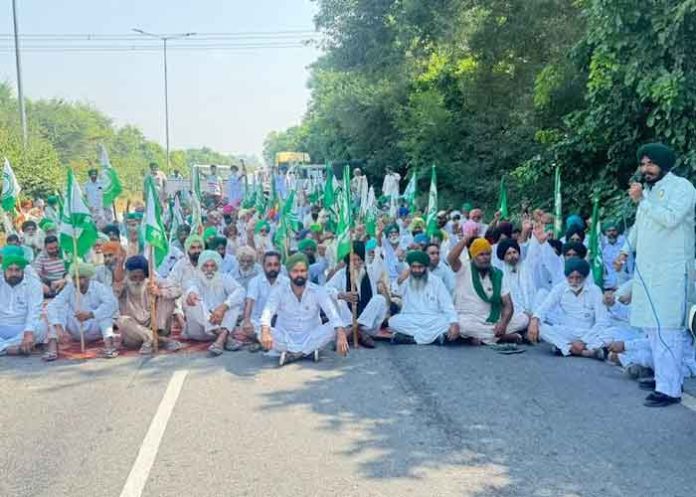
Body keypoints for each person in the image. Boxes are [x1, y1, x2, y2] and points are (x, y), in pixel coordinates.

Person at [615, 143, 696, 407]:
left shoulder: (682, 188)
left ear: (664, 164)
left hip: (671, 272)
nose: (645, 169)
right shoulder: (648, 193)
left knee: (668, 329)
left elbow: (671, 219)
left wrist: (643, 201)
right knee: (652, 329)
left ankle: (669, 390)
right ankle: (665, 377)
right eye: (642, 164)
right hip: (648, 272)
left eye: (650, 164)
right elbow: (640, 227)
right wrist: (625, 251)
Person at [259, 253, 349, 366]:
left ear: (307, 272)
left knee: (335, 327)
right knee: (260, 329)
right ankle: (307, 353)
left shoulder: (318, 291)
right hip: (285, 337)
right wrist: (265, 331)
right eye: (295, 271)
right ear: (288, 273)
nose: (299, 274)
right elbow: (267, 312)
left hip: (311, 337)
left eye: (303, 271)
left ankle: (293, 354)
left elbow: (333, 314)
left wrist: (341, 335)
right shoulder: (279, 291)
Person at [448, 237, 529, 345]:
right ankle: (501, 337)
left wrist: (503, 324)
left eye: (488, 254)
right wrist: (464, 240)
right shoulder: (464, 269)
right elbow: (451, 259)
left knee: (524, 319)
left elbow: (508, 304)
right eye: (481, 255)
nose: (485, 258)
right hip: (470, 318)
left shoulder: (497, 274)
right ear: (473, 256)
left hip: (494, 318)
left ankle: (484, 338)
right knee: (462, 326)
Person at [528, 259, 612, 360]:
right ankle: (581, 351)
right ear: (566, 277)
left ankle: (563, 348)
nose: (574, 282)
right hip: (566, 332)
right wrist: (534, 320)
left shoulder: (595, 290)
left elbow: (602, 321)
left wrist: (583, 341)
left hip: (588, 333)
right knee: (540, 327)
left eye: (578, 278)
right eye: (570, 278)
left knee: (612, 333)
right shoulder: (560, 288)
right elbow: (544, 307)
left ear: (585, 277)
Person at [44, 262, 119, 359]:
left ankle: (110, 347)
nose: (77, 281)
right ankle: (52, 349)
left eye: (81, 278)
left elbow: (113, 304)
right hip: (76, 328)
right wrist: (57, 326)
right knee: (60, 309)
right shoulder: (70, 288)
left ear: (88, 278)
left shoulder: (98, 287)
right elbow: (52, 306)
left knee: (105, 314)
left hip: (95, 328)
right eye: (75, 278)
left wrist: (91, 314)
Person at [114, 255, 183, 354]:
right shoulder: (123, 286)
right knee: (121, 320)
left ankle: (154, 338)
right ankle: (161, 340)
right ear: (127, 274)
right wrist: (120, 263)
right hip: (135, 335)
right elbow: (117, 285)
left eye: (140, 277)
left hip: (156, 327)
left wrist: (159, 291)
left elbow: (178, 291)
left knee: (168, 299)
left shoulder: (151, 281)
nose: (137, 281)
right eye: (134, 277)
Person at [388, 250, 459, 345]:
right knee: (393, 321)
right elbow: (395, 291)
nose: (417, 270)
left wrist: (454, 322)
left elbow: (447, 304)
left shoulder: (436, 281)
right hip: (410, 318)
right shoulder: (406, 280)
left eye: (420, 267)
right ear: (410, 268)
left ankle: (411, 338)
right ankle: (434, 338)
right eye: (413, 267)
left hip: (432, 319)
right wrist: (399, 280)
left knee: (446, 322)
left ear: (426, 267)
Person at [182, 250, 245, 356]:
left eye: (213, 266)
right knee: (193, 302)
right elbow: (190, 289)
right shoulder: (193, 280)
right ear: (200, 267)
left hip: (221, 323)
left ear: (217, 267)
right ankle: (224, 336)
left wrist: (224, 306)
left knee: (234, 302)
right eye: (205, 266)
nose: (209, 269)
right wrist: (191, 294)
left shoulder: (224, 278)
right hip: (200, 332)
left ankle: (220, 341)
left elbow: (240, 291)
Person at [326, 241, 389, 347]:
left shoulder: (370, 271)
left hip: (368, 327)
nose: (356, 263)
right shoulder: (341, 274)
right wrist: (342, 295)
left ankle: (353, 330)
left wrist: (378, 239)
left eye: (359, 260)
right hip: (347, 322)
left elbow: (379, 261)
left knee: (380, 299)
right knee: (340, 299)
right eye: (353, 260)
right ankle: (359, 333)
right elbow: (326, 290)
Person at [231, 251, 289, 351]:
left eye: (276, 265)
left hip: (280, 320)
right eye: (269, 265)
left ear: (280, 266)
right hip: (259, 321)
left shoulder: (287, 282)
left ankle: (262, 341)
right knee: (247, 326)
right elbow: (249, 302)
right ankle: (267, 341)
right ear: (263, 266)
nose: (272, 268)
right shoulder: (255, 281)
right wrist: (247, 321)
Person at [0, 247, 44, 356]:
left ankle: (4, 348)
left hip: (22, 328)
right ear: (4, 269)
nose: (14, 273)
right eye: (10, 269)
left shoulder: (33, 283)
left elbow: (35, 310)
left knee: (42, 327)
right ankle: (9, 348)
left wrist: (29, 332)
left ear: (23, 269)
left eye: (17, 270)